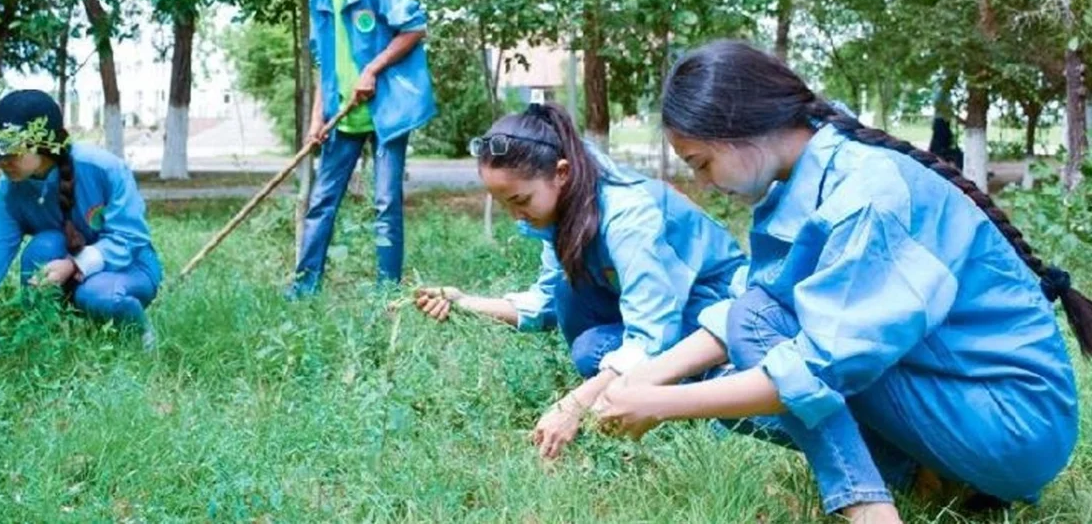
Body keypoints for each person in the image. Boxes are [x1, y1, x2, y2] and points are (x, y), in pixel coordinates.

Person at [593, 41, 1090, 524]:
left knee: (761, 346)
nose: (702, 184)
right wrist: (646, 378)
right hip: (977, 412)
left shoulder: (867, 191)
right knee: (731, 385)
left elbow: (808, 359)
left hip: (1013, 421)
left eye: (701, 163)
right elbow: (749, 305)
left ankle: (870, 508)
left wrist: (661, 404)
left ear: (742, 128)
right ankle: (937, 479)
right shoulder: (809, 178)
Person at [414, 102, 747, 460]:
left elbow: (652, 335)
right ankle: (635, 393)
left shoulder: (628, 217)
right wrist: (462, 301)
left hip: (715, 314)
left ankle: (698, 393)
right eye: (503, 204)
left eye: (520, 200)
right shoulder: (565, 209)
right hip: (667, 314)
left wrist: (575, 403)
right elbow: (545, 305)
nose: (515, 216)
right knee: (571, 302)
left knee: (594, 351)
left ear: (561, 173)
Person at [0, 90, 163, 360]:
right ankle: (47, 338)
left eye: (13, 151)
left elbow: (130, 237)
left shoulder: (103, 169)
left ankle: (140, 337)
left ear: (45, 144)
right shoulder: (8, 192)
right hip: (60, 269)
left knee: (96, 294)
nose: (3, 161)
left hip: (127, 268)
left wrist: (75, 265)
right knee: (43, 246)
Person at [283, 0, 433, 297]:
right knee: (321, 202)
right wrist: (317, 118)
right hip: (342, 119)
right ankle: (304, 289)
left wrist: (373, 70)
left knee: (385, 203)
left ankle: (387, 292)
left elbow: (414, 28)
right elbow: (324, 66)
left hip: (386, 114)